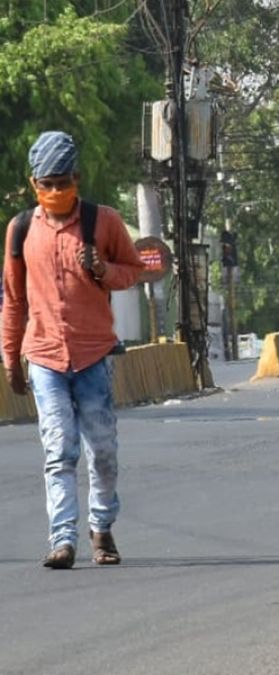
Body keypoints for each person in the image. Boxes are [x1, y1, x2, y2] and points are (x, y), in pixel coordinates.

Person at [2, 131, 144, 569]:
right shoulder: (22, 229)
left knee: (101, 450)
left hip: (93, 357)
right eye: (47, 184)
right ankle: (62, 539)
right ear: (34, 185)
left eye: (63, 182)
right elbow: (13, 299)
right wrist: (11, 359)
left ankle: (102, 528)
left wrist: (104, 270)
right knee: (58, 450)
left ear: (77, 179)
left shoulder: (103, 222)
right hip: (44, 357)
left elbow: (134, 272)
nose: (56, 191)